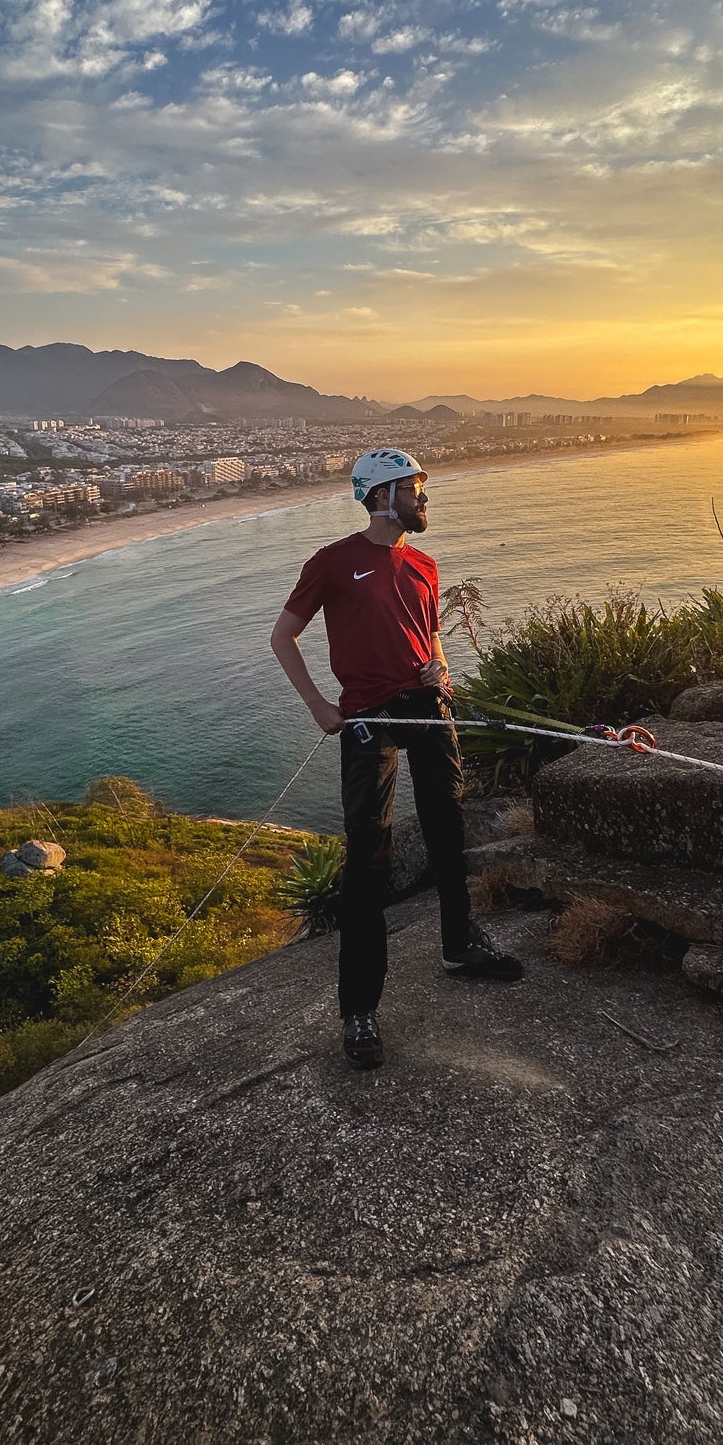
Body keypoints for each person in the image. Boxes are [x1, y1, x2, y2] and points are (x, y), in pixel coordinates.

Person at [270, 448, 523, 1069]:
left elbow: (428, 631)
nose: (424, 499)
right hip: (366, 718)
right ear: (383, 495)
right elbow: (284, 635)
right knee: (368, 858)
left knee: (447, 826)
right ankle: (360, 1008)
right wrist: (316, 705)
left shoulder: (425, 564)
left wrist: (439, 665)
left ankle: (459, 943)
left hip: (427, 705)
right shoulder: (332, 563)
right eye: (416, 489)